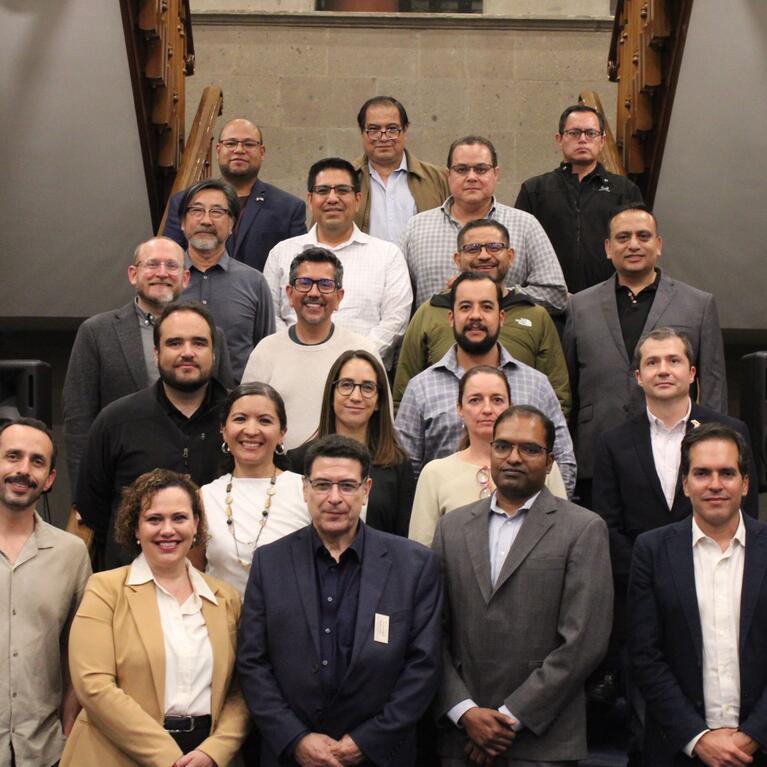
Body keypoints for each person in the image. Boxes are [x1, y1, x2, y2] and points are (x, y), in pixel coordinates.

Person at [237, 435, 443, 767]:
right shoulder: (270, 562)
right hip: (291, 756)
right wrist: (295, 738)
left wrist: (369, 740)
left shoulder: (414, 565)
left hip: (381, 755)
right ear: (305, 489)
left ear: (366, 490)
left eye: (347, 485)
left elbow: (423, 666)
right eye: (322, 485)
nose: (334, 498)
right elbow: (252, 663)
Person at [432, 405, 613, 766]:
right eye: (502, 446)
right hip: (459, 738)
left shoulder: (583, 529)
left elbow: (583, 642)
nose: (513, 457)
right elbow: (430, 631)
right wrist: (465, 712)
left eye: (529, 449)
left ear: (549, 462)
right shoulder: (451, 528)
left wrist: (508, 718)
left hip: (542, 741)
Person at [61, 469, 249, 767]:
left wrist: (214, 751)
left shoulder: (227, 599)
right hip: (114, 754)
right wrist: (169, 757)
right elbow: (93, 685)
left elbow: (240, 691)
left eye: (179, 518)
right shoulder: (105, 590)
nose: (167, 530)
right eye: (153, 519)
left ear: (197, 524)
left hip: (203, 757)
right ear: (135, 529)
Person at [564, 204, 727, 507]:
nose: (634, 245)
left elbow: (714, 387)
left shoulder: (698, 304)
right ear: (608, 248)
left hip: (676, 457)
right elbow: (568, 387)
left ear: (659, 244)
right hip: (596, 455)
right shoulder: (579, 306)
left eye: (643, 236)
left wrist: (712, 449)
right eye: (623, 237)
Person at [628, 424, 767, 767]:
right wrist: (698, 738)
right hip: (679, 750)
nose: (715, 484)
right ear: (685, 484)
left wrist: (754, 735)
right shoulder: (651, 550)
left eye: (727, 473)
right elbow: (645, 654)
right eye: (702, 473)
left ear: (745, 484)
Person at [63, 236, 233, 495]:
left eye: (172, 266)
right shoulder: (96, 332)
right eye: (152, 265)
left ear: (186, 278)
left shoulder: (212, 335)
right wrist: (81, 494)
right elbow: (78, 419)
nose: (162, 273)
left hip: (201, 488)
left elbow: (224, 409)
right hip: (124, 486)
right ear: (133, 274)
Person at [75, 301, 229, 569]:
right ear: (156, 353)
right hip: (131, 587)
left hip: (218, 588)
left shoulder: (239, 424)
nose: (187, 352)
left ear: (214, 354)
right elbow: (92, 513)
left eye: (199, 343)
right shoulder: (115, 422)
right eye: (175, 343)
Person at [395, 271, 576, 495]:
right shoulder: (421, 388)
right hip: (447, 523)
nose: (476, 316)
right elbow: (404, 472)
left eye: (487, 307)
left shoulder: (536, 385)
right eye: (465, 307)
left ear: (502, 317)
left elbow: (563, 461)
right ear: (451, 318)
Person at [393, 218, 571, 415]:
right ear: (457, 259)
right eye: (473, 248)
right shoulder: (430, 312)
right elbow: (403, 396)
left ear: (511, 256)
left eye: (494, 247)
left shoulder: (535, 315)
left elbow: (558, 397)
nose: (484, 255)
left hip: (518, 442)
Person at [0, 418, 91, 767]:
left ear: (50, 479)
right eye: (13, 456)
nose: (23, 470)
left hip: (44, 752)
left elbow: (79, 652)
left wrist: (69, 729)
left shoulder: (71, 553)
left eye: (37, 461)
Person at [263, 157, 412, 369]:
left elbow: (395, 321)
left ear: (358, 199)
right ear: (310, 198)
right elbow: (271, 315)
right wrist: (299, 352)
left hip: (363, 377)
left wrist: (353, 362)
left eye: (342, 190)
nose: (332, 198)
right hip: (293, 367)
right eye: (323, 191)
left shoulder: (387, 255)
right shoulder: (281, 253)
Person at [399, 135, 566, 312]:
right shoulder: (416, 228)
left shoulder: (525, 226)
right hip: (435, 337)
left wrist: (499, 294)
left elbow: (555, 296)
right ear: (448, 175)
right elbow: (398, 300)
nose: (471, 177)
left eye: (481, 169)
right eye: (462, 169)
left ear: (496, 173)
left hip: (506, 336)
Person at [409, 365, 567, 547]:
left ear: (511, 405)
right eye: (475, 400)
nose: (487, 409)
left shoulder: (540, 465)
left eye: (497, 400)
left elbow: (562, 532)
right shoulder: (435, 473)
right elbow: (421, 552)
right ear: (459, 408)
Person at [242, 247, 382, 449]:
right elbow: (247, 419)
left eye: (325, 284)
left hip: (343, 475)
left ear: (339, 296)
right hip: (278, 473)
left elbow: (380, 426)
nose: (314, 293)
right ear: (289, 293)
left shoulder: (362, 350)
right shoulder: (266, 351)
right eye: (305, 283)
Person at [193, 382, 311, 598]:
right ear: (224, 430)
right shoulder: (205, 496)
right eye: (240, 419)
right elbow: (193, 573)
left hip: (290, 624)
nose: (251, 430)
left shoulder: (306, 490)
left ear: (282, 432)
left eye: (265, 421)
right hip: (222, 624)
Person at [515, 104, 644, 293]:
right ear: (559, 139)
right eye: (574, 133)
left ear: (602, 141)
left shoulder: (624, 190)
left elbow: (637, 245)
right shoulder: (535, 190)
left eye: (591, 133)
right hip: (547, 299)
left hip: (610, 298)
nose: (583, 139)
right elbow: (519, 250)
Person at [288, 349, 414, 537]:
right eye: (346, 385)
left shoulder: (397, 465)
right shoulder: (298, 461)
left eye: (367, 387)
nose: (356, 396)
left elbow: (403, 539)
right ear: (331, 394)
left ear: (379, 401)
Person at [164, 117, 307, 271]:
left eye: (248, 144)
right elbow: (170, 259)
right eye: (231, 143)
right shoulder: (183, 202)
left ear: (262, 152)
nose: (239, 150)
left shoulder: (288, 207)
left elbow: (299, 269)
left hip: (260, 293)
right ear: (218, 150)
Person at [179, 177, 275, 381]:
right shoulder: (166, 281)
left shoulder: (254, 282)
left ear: (232, 224)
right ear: (182, 223)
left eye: (217, 212)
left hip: (236, 404)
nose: (206, 220)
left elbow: (267, 352)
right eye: (196, 211)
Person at [352, 96, 449, 243]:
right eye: (373, 129)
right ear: (361, 132)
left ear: (405, 130)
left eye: (392, 129)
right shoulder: (345, 179)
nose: (383, 138)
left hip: (419, 266)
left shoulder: (437, 179)